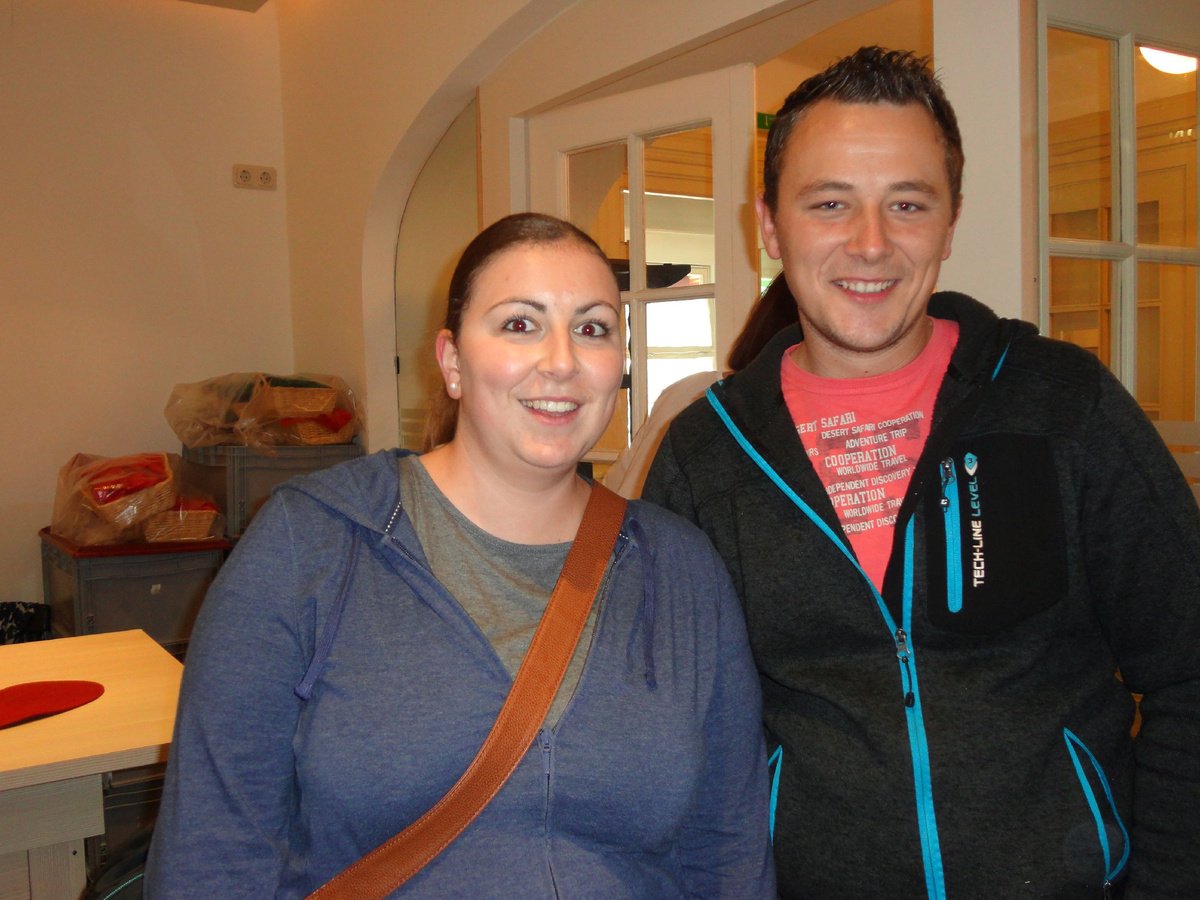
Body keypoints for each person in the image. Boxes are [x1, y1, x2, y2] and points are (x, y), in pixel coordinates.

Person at [643, 46, 1200, 898]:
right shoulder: (706, 454)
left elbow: (1188, 668)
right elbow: (673, 736)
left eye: (907, 204)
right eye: (829, 203)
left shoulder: (1062, 403)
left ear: (950, 220)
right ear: (770, 226)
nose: (871, 244)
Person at [145, 213, 775, 898]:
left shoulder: (682, 571)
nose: (562, 361)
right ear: (451, 362)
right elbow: (214, 852)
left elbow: (728, 851)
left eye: (593, 329)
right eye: (520, 324)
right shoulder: (311, 544)